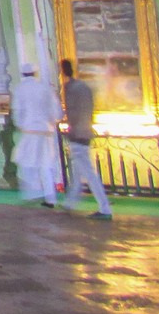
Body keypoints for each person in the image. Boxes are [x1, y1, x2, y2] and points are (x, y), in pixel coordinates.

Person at [60, 59, 113, 220]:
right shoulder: (84, 87)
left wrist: (71, 130)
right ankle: (70, 202)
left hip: (78, 135)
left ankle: (104, 207)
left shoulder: (70, 88)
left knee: (88, 173)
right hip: (85, 132)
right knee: (78, 172)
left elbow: (73, 112)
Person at [11, 62, 63, 207]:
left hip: (29, 132)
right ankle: (50, 197)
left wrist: (20, 124)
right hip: (45, 132)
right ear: (35, 74)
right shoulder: (45, 88)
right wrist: (52, 122)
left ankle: (34, 193)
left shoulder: (20, 89)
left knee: (27, 163)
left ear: (23, 74)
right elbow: (56, 110)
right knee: (46, 165)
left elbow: (17, 111)